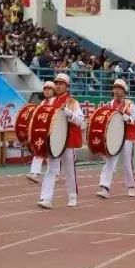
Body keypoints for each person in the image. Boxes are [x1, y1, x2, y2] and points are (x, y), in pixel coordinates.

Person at [37, 73, 84, 209]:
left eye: (61, 84)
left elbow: (80, 120)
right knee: (51, 169)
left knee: (69, 170)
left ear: (66, 86)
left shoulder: (72, 102)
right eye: (56, 83)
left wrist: (70, 115)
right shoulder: (49, 102)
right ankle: (46, 198)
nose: (58, 86)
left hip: (68, 141)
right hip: (53, 141)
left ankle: (72, 196)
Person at [96, 79, 135, 199]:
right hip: (114, 137)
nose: (116, 91)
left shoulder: (130, 104)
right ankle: (105, 187)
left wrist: (128, 118)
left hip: (127, 137)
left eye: (119, 89)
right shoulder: (110, 104)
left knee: (127, 163)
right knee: (110, 162)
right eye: (115, 88)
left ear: (124, 91)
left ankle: (131, 186)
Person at [27, 82, 56, 184]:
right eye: (45, 89)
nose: (46, 91)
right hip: (42, 131)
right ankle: (34, 173)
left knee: (55, 155)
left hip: (54, 131)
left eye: (49, 89)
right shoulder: (42, 103)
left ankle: (56, 172)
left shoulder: (56, 102)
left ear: (54, 91)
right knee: (39, 150)